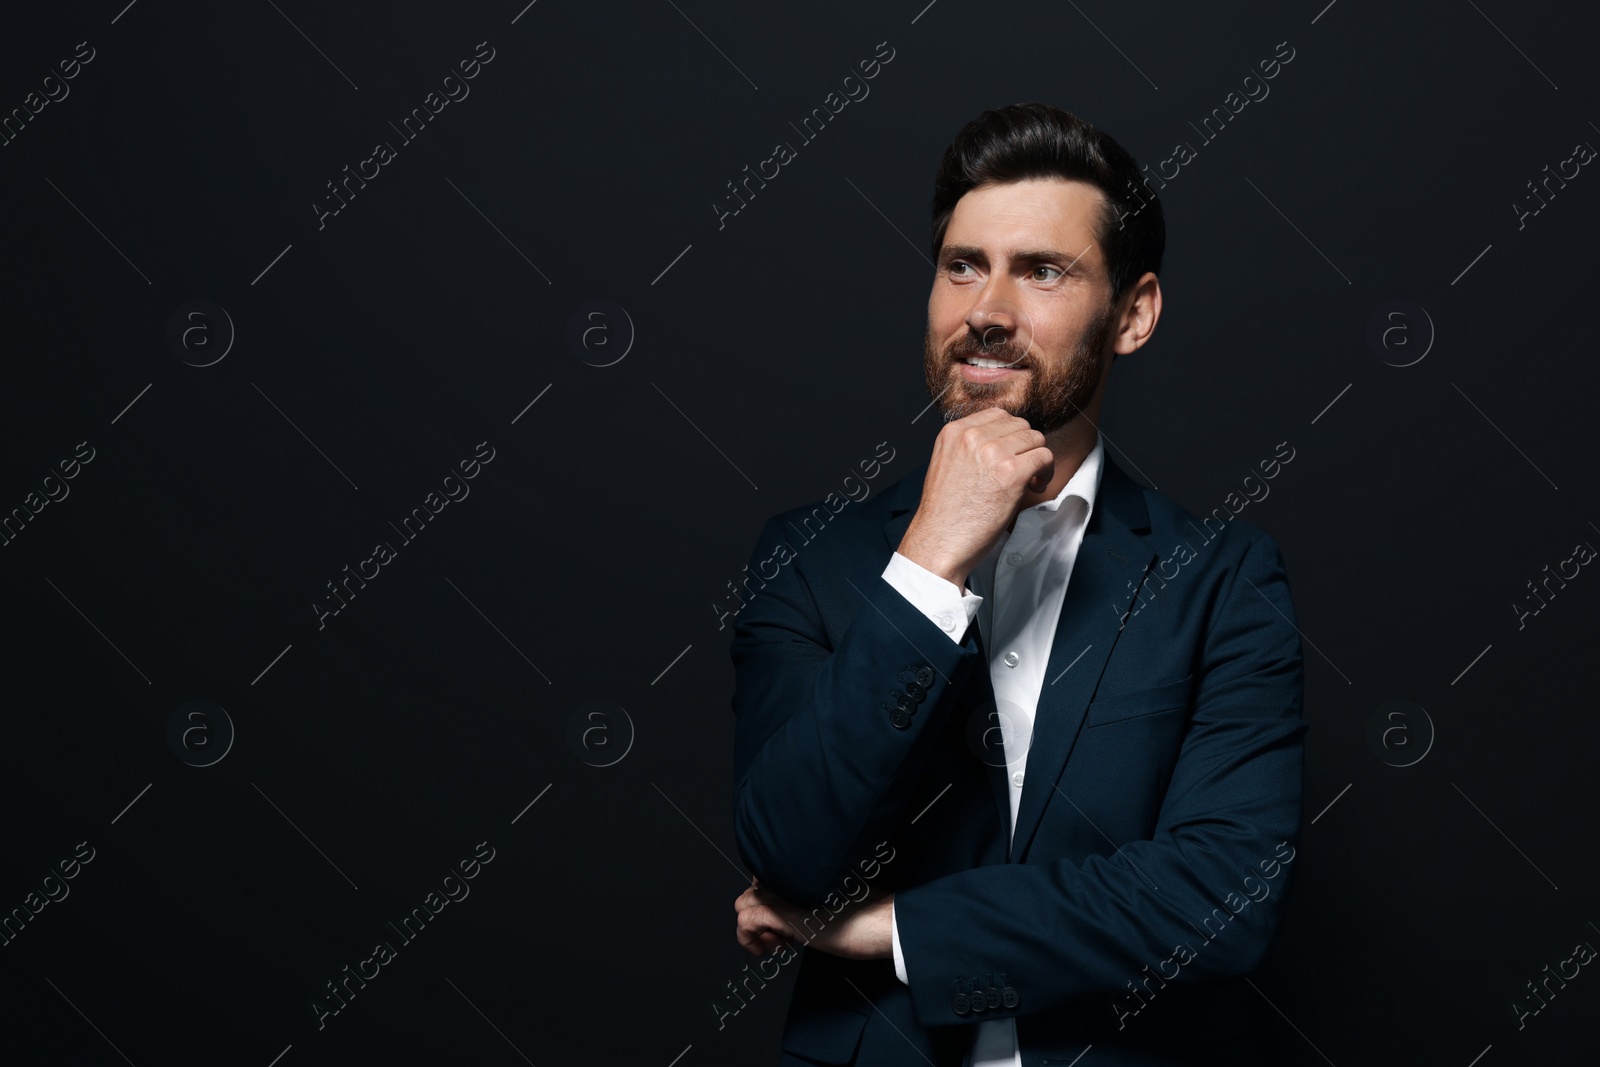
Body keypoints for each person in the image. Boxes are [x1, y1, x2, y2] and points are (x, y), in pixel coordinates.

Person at [728, 102, 1306, 1066]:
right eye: (963, 265)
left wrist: (895, 929)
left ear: (1133, 314)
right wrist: (928, 560)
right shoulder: (809, 560)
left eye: (1042, 270)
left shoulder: (1224, 580)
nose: (986, 309)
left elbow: (1222, 897)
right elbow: (789, 851)